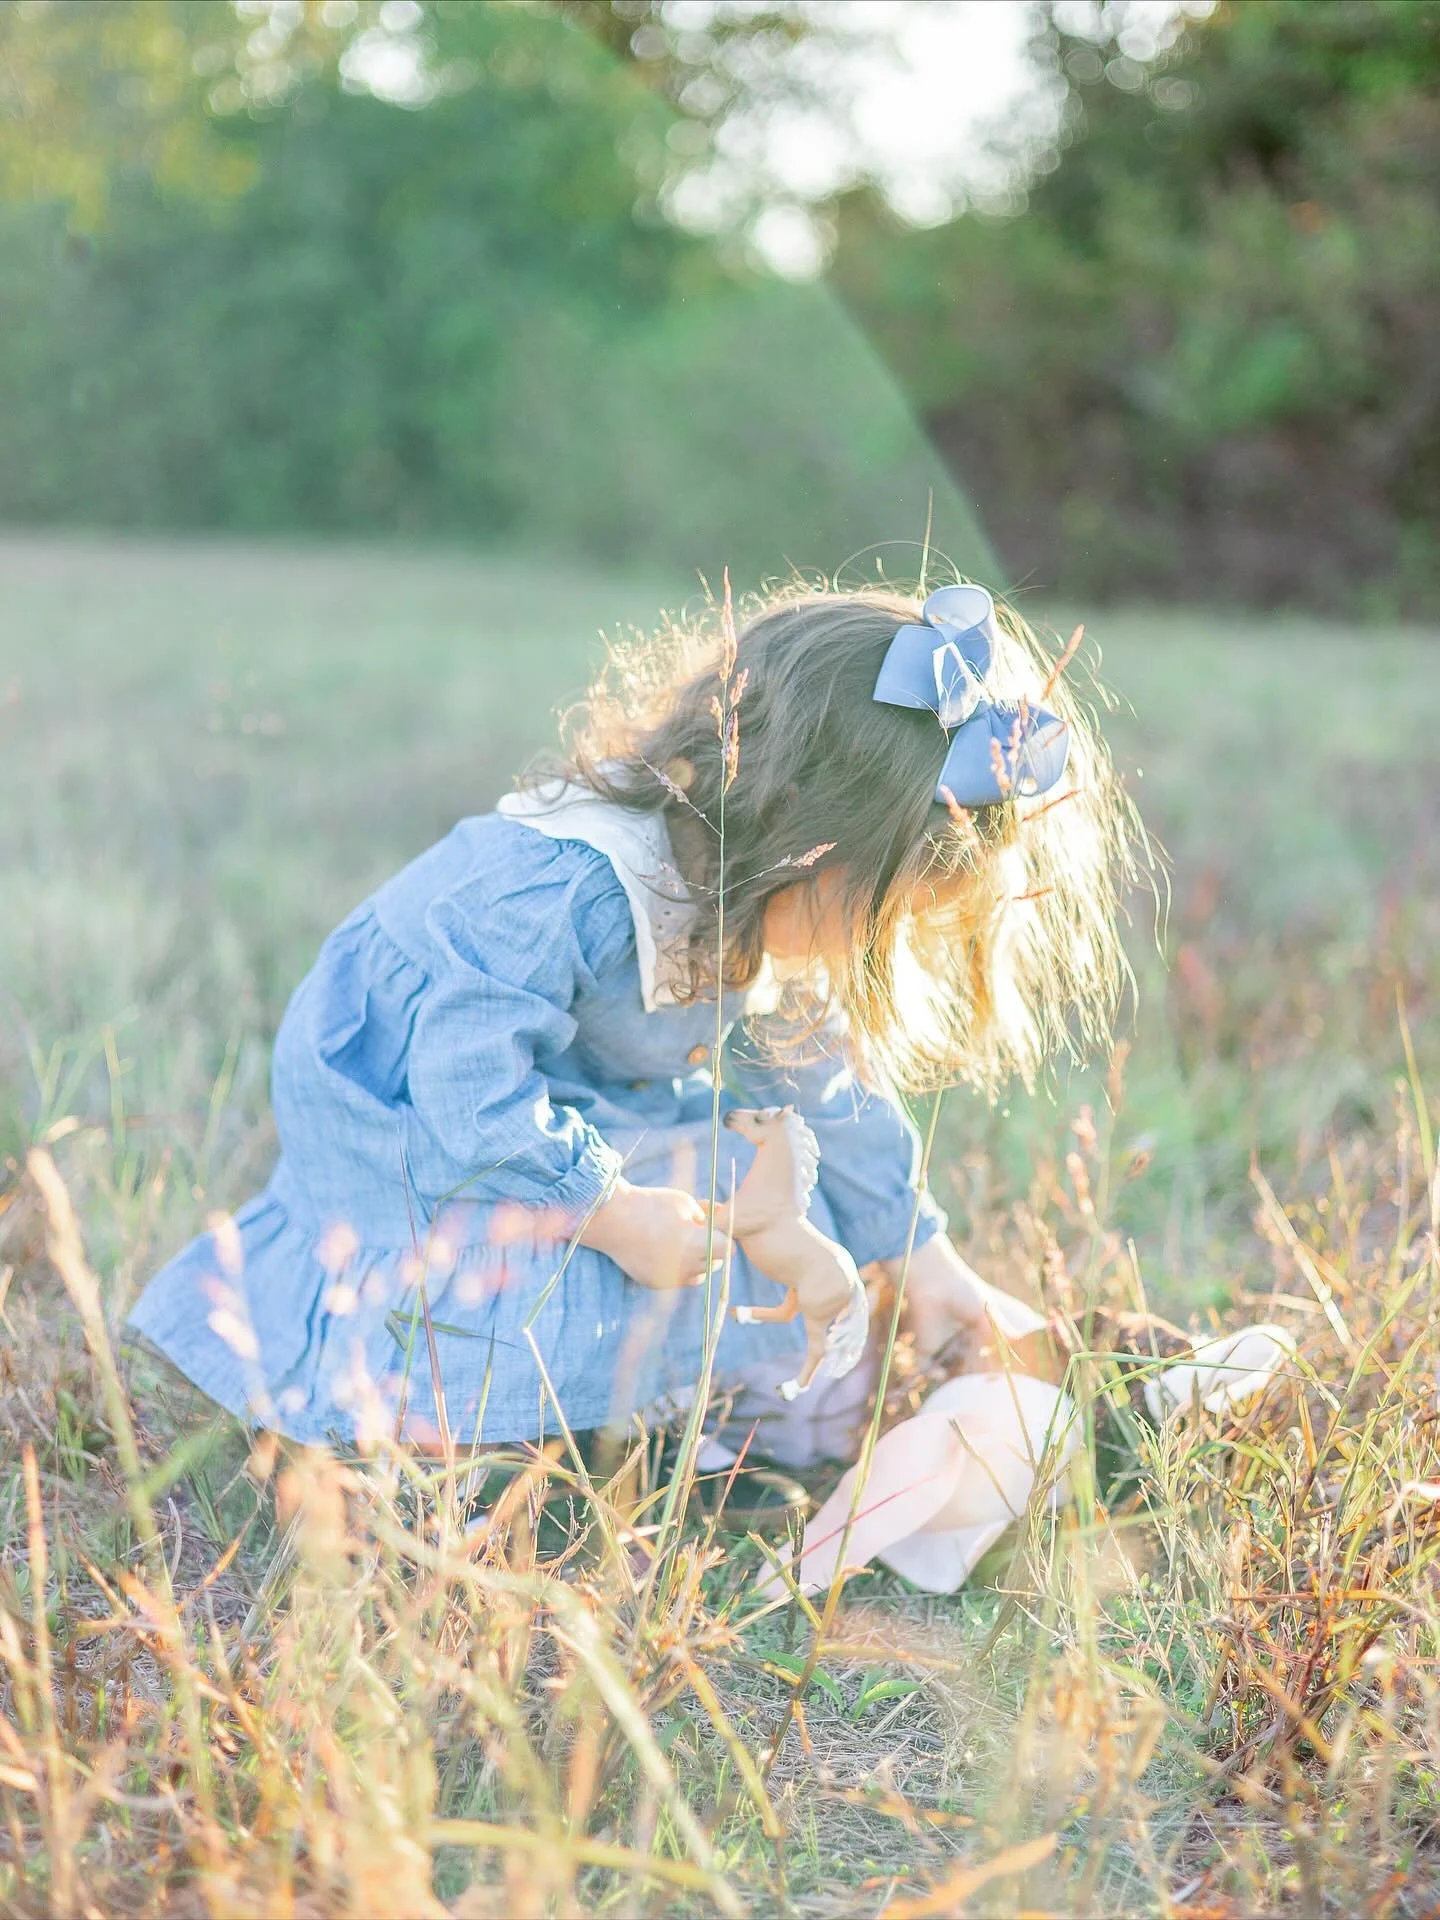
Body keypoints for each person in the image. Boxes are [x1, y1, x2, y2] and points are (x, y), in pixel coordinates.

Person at [126, 579, 1135, 1476]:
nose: (859, 949)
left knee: (778, 1193)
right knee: (500, 1292)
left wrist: (925, 1258)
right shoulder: (567, 888)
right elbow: (465, 1087)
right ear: (796, 829)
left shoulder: (759, 897)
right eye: (875, 914)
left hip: (571, 1116)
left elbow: (827, 1083)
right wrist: (606, 1208)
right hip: (418, 1137)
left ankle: (712, 1428)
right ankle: (423, 1451)